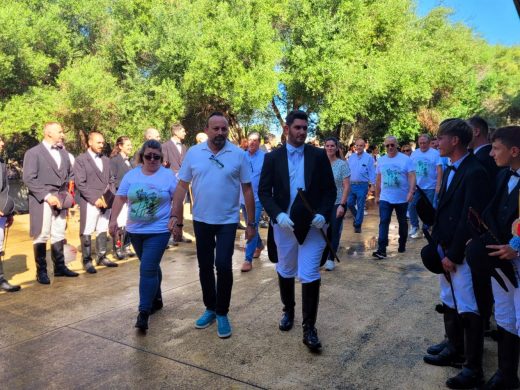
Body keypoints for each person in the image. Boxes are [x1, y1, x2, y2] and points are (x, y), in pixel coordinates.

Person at [171, 112, 255, 339]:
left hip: (228, 221)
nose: (220, 132)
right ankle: (210, 307)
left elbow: (247, 189)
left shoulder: (238, 155)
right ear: (207, 130)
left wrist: (251, 223)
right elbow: (181, 186)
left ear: (228, 130)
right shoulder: (194, 153)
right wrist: (176, 218)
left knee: (224, 265)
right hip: (201, 220)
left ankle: (222, 312)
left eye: (223, 129)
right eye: (215, 128)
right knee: (205, 266)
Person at [422, 118, 492, 389]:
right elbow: (448, 211)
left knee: (468, 306)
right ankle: (454, 346)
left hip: (459, 251)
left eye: (441, 137)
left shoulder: (474, 172)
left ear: (455, 141)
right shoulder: (453, 168)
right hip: (445, 247)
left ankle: (473, 367)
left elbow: (469, 218)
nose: (436, 142)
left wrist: (453, 253)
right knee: (449, 298)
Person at [258, 110, 336, 352]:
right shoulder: (272, 158)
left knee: (310, 271)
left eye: (305, 128)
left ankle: (309, 328)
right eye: (297, 127)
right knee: (286, 269)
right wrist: (277, 214)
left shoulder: (319, 155)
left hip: (313, 227)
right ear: (287, 129)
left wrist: (323, 212)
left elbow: (329, 190)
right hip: (284, 227)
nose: (302, 132)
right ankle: (288, 310)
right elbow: (263, 192)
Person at [465, 126, 520, 389]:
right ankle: (505, 375)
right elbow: (491, 213)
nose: (491, 154)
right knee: (505, 315)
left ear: (514, 151)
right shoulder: (501, 177)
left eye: (496, 148)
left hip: (518, 260)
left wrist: (517, 248)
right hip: (499, 260)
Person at [109, 140, 177, 332]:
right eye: (149, 156)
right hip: (135, 231)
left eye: (157, 156)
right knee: (151, 266)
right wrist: (113, 220)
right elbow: (121, 198)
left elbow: (178, 198)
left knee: (147, 269)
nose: (153, 159)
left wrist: (175, 218)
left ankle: (143, 312)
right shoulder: (131, 175)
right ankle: (156, 298)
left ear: (161, 158)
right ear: (142, 156)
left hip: (159, 231)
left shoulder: (167, 176)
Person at [23, 122, 79, 284]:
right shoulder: (33, 153)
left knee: (59, 232)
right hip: (42, 200)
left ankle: (60, 267)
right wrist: (47, 196)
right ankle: (41, 272)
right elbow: (28, 178)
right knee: (42, 233)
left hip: (61, 198)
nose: (63, 135)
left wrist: (67, 196)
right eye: (60, 132)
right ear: (48, 133)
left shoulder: (64, 153)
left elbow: (70, 175)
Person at [74, 132, 118, 274]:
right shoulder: (81, 160)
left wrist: (110, 196)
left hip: (106, 201)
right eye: (98, 142)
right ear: (90, 142)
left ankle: (101, 256)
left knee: (102, 227)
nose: (101, 145)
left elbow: (111, 179)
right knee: (87, 229)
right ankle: (86, 260)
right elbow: (80, 183)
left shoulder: (106, 160)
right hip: (90, 202)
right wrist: (94, 199)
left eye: (102, 143)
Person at [373, 136, 415, 259]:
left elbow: (412, 176)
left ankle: (402, 243)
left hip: (402, 198)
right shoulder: (381, 160)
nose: (390, 147)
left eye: (392, 145)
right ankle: (381, 250)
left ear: (397, 145)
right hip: (386, 197)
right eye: (387, 145)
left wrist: (411, 192)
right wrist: (377, 195)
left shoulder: (405, 159)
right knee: (384, 221)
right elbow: (378, 178)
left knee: (402, 222)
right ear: (384, 146)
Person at [323, 137, 350, 271]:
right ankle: (321, 257)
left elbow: (346, 186)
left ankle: (330, 259)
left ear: (336, 147)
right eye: (327, 146)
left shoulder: (342, 164)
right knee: (321, 231)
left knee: (334, 231)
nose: (329, 148)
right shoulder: (321, 164)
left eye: (332, 146)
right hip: (323, 203)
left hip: (337, 202)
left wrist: (342, 204)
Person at [240, 132, 266, 272]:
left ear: (259, 142)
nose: (252, 142)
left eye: (255, 140)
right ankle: (260, 245)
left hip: (256, 198)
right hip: (242, 198)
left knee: (251, 225)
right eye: (250, 140)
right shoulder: (242, 156)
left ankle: (247, 259)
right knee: (252, 225)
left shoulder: (264, 157)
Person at [162, 123, 192, 245]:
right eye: (183, 131)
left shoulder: (184, 147)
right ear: (175, 132)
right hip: (170, 179)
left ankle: (179, 233)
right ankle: (168, 235)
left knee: (180, 205)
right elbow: (163, 164)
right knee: (169, 206)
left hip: (183, 180)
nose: (185, 133)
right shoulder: (165, 146)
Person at [408, 134, 442, 239]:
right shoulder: (414, 154)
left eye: (424, 143)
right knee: (412, 205)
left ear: (428, 143)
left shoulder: (435, 154)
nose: (422, 145)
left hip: (431, 186)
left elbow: (440, 170)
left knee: (429, 208)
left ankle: (426, 227)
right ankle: (414, 226)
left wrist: (438, 184)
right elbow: (410, 170)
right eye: (421, 143)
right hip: (417, 186)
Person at [109, 136, 135, 260]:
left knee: (128, 222)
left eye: (131, 145)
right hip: (120, 196)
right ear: (120, 146)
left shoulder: (129, 161)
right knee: (119, 223)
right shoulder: (114, 160)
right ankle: (117, 248)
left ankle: (127, 246)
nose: (130, 147)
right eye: (127, 145)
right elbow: (112, 179)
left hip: (130, 197)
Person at [0, 137, 19, 292]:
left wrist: (9, 212)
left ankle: (0, 278)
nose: (2, 144)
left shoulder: (1, 163)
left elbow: (5, 189)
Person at [347, 139, 376, 233]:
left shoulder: (368, 158)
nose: (358, 147)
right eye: (357, 145)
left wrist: (372, 185)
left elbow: (372, 172)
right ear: (355, 146)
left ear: (364, 146)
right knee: (349, 203)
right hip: (351, 185)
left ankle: (358, 224)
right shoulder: (351, 157)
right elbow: (348, 171)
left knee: (360, 205)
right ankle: (357, 217)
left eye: (361, 146)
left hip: (362, 185)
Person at [467, 116, 500, 184]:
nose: (463, 135)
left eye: (466, 131)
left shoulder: (482, 159)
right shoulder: (483, 154)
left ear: (476, 132)